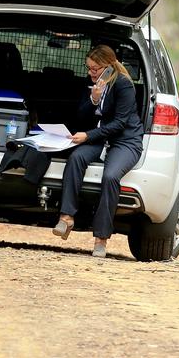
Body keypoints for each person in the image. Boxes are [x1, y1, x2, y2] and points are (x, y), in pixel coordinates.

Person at [52, 45, 143, 258]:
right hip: (100, 138)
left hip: (125, 141)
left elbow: (120, 123)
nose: (91, 73)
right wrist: (94, 99)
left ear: (109, 66)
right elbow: (81, 115)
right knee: (76, 158)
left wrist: (88, 135)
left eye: (95, 69)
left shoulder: (123, 85)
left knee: (111, 176)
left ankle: (101, 239)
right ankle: (67, 217)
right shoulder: (96, 85)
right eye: (89, 68)